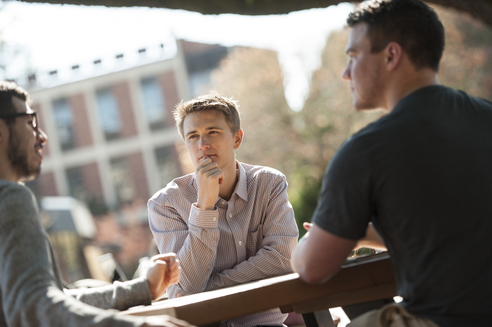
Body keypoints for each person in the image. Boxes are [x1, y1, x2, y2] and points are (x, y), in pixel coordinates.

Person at [291, 0, 492, 326]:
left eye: (353, 56)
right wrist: (361, 234)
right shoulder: (486, 116)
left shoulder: (365, 150)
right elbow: (458, 230)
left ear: (391, 55)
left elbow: (313, 268)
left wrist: (301, 248)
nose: (345, 74)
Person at [0, 81, 192, 327]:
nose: (42, 137)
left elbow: (55, 298)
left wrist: (142, 288)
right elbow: (35, 306)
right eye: (30, 123)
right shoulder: (11, 198)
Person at [148, 93, 299, 327]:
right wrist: (204, 207)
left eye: (213, 132)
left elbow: (282, 258)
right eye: (193, 136)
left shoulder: (269, 184)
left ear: (237, 138)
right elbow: (187, 284)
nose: (203, 145)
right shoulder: (164, 205)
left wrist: (210, 289)